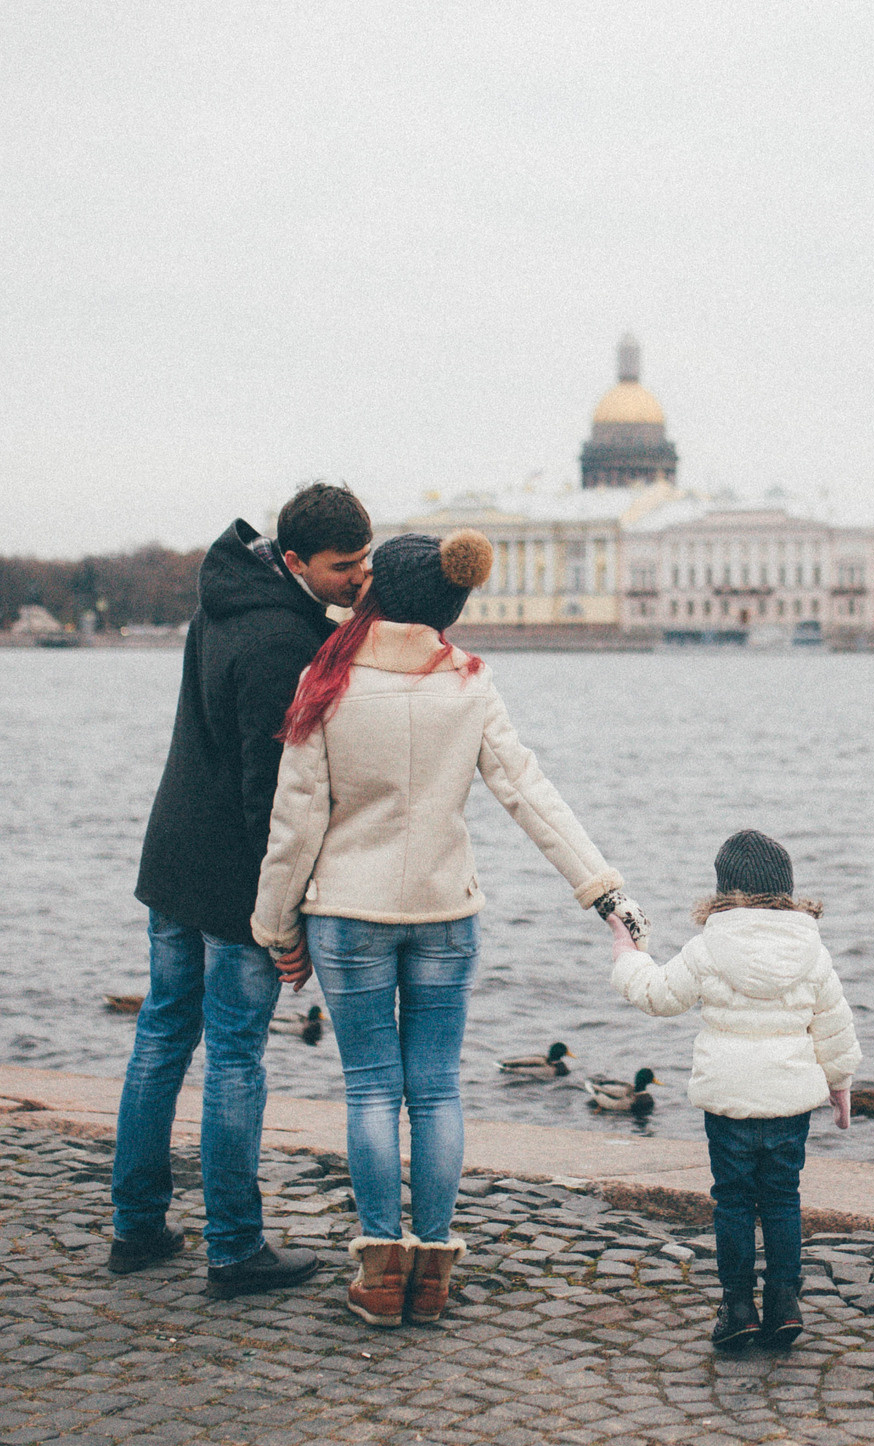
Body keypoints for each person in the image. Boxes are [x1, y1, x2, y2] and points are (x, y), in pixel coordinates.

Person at [251, 528, 648, 1329]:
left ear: (378, 594)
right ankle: (431, 1269)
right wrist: (604, 890)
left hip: (347, 914)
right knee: (435, 1089)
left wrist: (274, 926)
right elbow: (531, 796)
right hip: (445, 913)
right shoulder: (469, 683)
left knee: (370, 1086)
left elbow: (295, 823)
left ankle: (378, 1268)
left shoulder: (326, 678)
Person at [109, 482, 370, 1296]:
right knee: (233, 1056)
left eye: (366, 557)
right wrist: (281, 922)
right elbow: (273, 798)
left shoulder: (226, 597)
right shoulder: (277, 644)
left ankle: (137, 1227)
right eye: (344, 566)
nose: (360, 576)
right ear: (295, 561)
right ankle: (233, 1247)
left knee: (159, 1037)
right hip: (231, 878)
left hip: (173, 856)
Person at [609, 829, 860, 1353]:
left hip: (730, 1105)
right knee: (782, 1199)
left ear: (724, 891)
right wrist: (839, 1085)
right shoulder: (812, 951)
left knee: (733, 1203)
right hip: (790, 1103)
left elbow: (658, 996)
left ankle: (739, 1308)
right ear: (786, 890)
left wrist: (627, 955)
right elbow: (833, 1024)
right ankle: (786, 1304)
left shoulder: (707, 949)